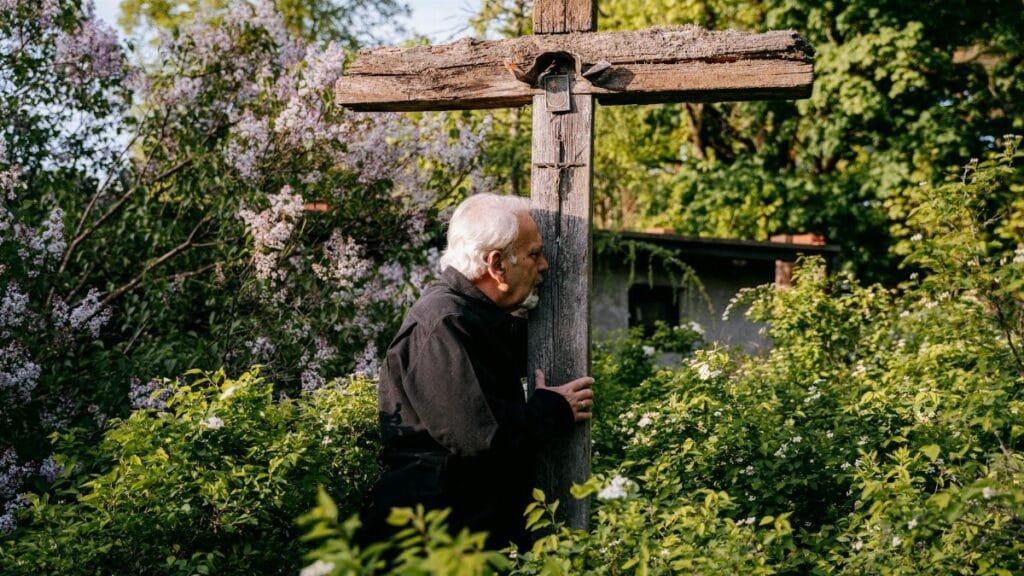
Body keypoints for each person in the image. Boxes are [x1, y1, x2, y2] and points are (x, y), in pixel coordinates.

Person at [359, 193, 595, 551]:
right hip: (434, 540)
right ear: (497, 264)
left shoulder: (474, 317)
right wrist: (552, 409)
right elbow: (481, 437)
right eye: (533, 254)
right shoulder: (444, 323)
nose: (544, 265)